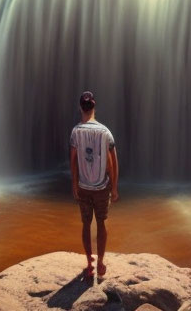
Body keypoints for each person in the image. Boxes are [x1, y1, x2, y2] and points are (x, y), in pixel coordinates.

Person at [70, 90, 119, 279]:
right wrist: (114, 187)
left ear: (80, 107)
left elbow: (73, 160)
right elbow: (112, 161)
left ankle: (89, 262)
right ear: (94, 106)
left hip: (83, 185)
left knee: (85, 223)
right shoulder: (105, 132)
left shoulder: (76, 132)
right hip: (101, 186)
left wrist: (74, 184)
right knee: (101, 222)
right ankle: (100, 262)